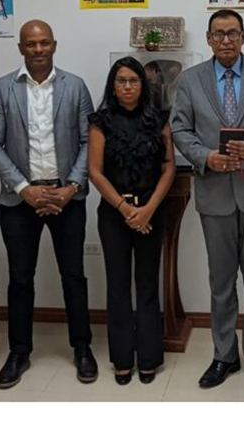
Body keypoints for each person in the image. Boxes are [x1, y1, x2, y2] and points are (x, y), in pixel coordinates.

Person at [171, 9, 244, 394]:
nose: (226, 40)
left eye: (233, 33)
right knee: (221, 283)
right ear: (208, 38)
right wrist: (205, 157)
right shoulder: (190, 80)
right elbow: (180, 129)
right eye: (219, 34)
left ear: (243, 36)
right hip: (214, 192)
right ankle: (225, 355)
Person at [0, 20, 97, 389]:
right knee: (19, 279)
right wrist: (23, 188)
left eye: (44, 42)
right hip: (20, 200)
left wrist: (72, 185)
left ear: (54, 45)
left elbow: (87, 141)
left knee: (74, 276)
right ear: (20, 48)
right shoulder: (2, 89)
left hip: (67, 196)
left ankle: (82, 348)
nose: (38, 49)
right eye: (30, 43)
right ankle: (19, 352)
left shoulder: (75, 86)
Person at [88, 57, 175, 386]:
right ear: (113, 85)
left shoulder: (159, 120)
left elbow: (168, 168)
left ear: (143, 85)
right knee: (118, 288)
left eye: (134, 80)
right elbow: (94, 173)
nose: (127, 86)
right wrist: (127, 211)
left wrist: (148, 209)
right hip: (114, 214)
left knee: (149, 286)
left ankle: (149, 357)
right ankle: (123, 358)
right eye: (121, 80)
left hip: (151, 212)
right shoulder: (101, 122)